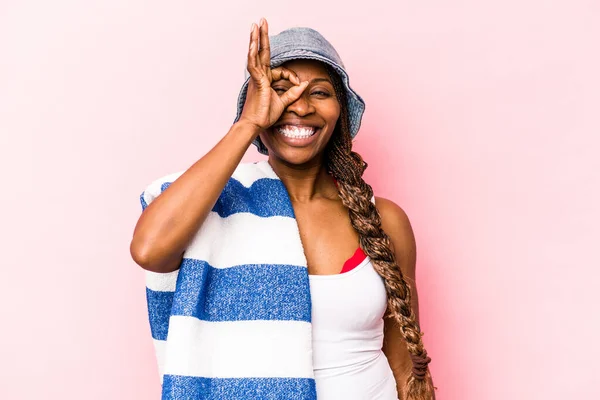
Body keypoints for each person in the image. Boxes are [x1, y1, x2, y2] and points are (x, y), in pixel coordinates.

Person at [131, 17, 435, 400]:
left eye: (320, 93)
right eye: (280, 90)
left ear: (340, 111)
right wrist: (248, 124)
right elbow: (149, 250)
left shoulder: (385, 220)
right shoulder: (216, 206)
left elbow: (406, 365)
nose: (300, 106)